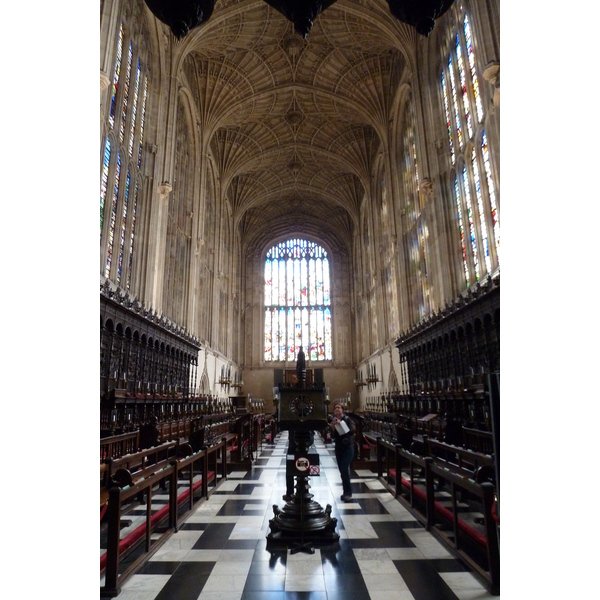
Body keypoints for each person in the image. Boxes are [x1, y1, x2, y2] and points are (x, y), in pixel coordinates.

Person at [328, 402, 355, 502]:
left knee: (344, 469)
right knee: (342, 471)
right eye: (335, 408)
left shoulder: (347, 419)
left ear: (342, 410)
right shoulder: (334, 421)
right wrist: (333, 428)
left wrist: (342, 425)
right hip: (339, 448)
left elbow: (352, 432)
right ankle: (345, 493)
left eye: (339, 407)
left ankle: (349, 493)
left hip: (348, 447)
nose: (337, 409)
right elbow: (333, 437)